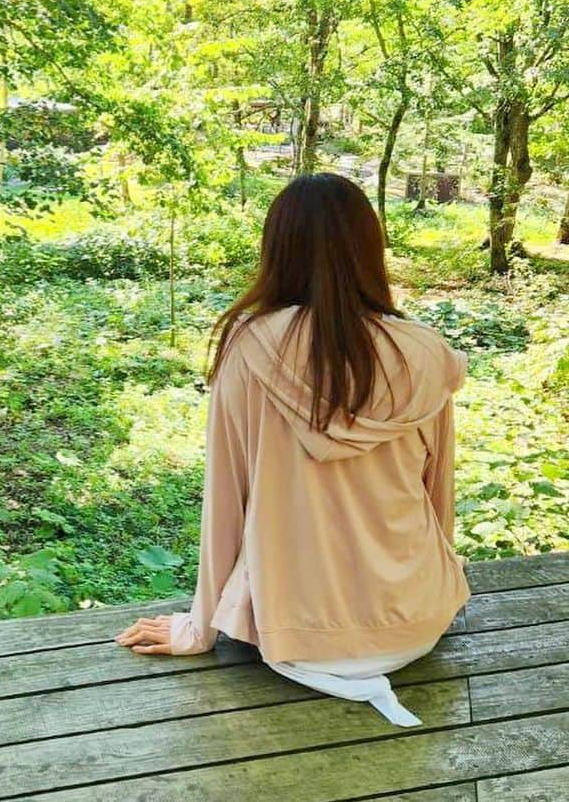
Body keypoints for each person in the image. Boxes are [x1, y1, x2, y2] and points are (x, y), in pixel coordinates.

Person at [116, 173, 470, 728]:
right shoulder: (426, 353)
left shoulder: (249, 346)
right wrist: (442, 592)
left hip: (296, 639)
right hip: (417, 622)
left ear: (277, 249)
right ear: (369, 248)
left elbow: (225, 502)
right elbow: (437, 494)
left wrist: (199, 626)